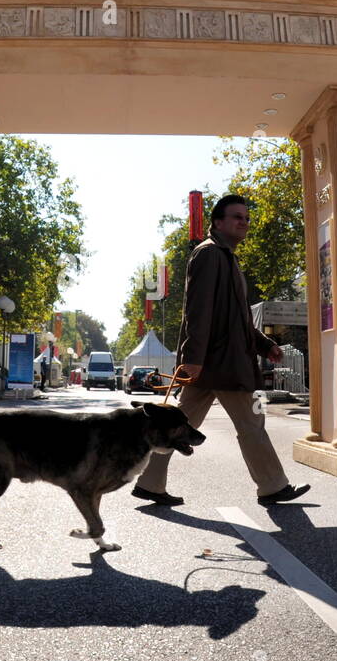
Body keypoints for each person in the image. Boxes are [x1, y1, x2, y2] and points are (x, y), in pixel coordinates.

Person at [131, 194, 310, 507]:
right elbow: (198, 312)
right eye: (237, 217)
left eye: (246, 218)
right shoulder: (210, 254)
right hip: (223, 367)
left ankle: (149, 484)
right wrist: (194, 360)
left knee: (175, 428)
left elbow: (237, 319)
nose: (244, 222)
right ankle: (272, 487)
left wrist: (265, 345)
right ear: (217, 222)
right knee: (252, 424)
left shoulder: (226, 257)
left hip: (217, 366)